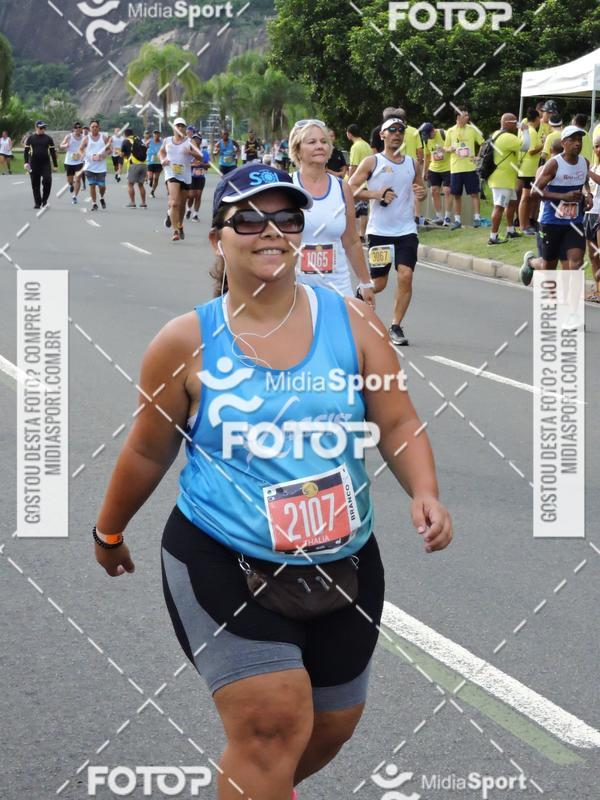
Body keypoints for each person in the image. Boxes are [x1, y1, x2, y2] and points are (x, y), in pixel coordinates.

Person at [93, 161, 453, 800]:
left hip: (344, 557)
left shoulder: (353, 323)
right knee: (271, 727)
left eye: (286, 218)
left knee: (330, 725)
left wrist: (424, 489)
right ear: (216, 239)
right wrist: (109, 529)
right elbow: (148, 453)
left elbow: (397, 420)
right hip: (224, 554)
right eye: (249, 219)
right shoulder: (186, 342)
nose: (270, 231)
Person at [349, 115, 427, 347]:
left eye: (400, 130)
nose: (397, 133)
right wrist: (376, 194)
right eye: (391, 130)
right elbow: (350, 188)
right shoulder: (372, 162)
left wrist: (420, 195)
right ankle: (359, 296)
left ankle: (395, 326)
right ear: (382, 134)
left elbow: (419, 188)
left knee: (406, 275)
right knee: (380, 283)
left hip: (406, 231)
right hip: (380, 231)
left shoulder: (413, 163)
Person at [289, 119, 374, 304]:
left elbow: (351, 241)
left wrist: (366, 283)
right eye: (311, 142)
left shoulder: (341, 188)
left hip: (338, 290)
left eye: (324, 141)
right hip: (295, 291)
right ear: (297, 150)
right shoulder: (287, 186)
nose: (319, 146)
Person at [519, 126, 591, 285]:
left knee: (576, 264)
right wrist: (562, 196)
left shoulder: (584, 162)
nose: (577, 143)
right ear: (564, 143)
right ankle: (531, 262)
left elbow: (585, 183)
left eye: (579, 140)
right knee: (548, 267)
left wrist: (588, 195)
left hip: (574, 222)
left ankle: (571, 304)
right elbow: (534, 192)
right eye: (573, 140)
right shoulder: (554, 164)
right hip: (551, 222)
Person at [486, 113, 530, 245]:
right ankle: (493, 237)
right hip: (502, 180)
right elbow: (525, 146)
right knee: (499, 207)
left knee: (512, 203)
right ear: (506, 122)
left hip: (505, 178)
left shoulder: (496, 134)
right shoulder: (507, 137)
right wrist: (525, 130)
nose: (516, 124)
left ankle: (510, 230)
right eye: (514, 121)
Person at [159, 117, 203, 241]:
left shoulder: (189, 142)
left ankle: (179, 224)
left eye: (182, 126)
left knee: (182, 205)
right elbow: (161, 152)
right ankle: (175, 231)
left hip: (185, 175)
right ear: (173, 128)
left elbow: (200, 157)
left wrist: (190, 152)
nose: (180, 128)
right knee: (174, 203)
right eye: (177, 126)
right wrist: (163, 160)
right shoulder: (167, 140)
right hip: (171, 173)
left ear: (185, 129)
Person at [445, 108, 484, 230]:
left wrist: (479, 156)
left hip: (470, 167)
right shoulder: (450, 131)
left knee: (474, 193)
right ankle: (457, 220)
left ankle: (477, 218)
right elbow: (445, 148)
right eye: (465, 115)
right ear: (458, 117)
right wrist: (450, 149)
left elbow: (483, 143)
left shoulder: (472, 129)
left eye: (468, 115)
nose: (467, 117)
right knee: (456, 195)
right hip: (456, 168)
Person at [517, 108, 543, 235]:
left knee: (527, 197)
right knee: (525, 197)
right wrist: (544, 144)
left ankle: (525, 223)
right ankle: (523, 226)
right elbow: (531, 151)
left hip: (526, 168)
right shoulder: (531, 131)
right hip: (527, 168)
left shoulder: (526, 130)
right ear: (537, 119)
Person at [421, 122, 451, 226]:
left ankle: (447, 217)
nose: (428, 138)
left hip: (448, 167)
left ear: (433, 130)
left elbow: (454, 147)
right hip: (434, 168)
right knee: (433, 191)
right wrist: (424, 171)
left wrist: (445, 149)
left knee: (447, 191)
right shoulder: (426, 140)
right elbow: (427, 155)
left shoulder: (444, 134)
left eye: (429, 135)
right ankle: (439, 216)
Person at [77, 120, 111, 211]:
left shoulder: (103, 138)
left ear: (99, 128)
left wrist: (103, 155)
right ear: (90, 128)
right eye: (93, 127)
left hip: (101, 167)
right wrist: (83, 155)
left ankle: (101, 197)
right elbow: (80, 149)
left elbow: (109, 150)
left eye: (96, 126)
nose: (94, 128)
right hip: (89, 166)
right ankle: (94, 203)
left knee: (102, 186)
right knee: (92, 185)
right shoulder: (86, 139)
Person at [346, 124, 372, 243]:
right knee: (364, 210)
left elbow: (353, 166)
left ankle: (355, 234)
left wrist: (349, 183)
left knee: (353, 210)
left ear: (349, 134)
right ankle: (362, 234)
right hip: (367, 183)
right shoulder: (367, 145)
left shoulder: (355, 147)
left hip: (356, 184)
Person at [23, 120, 58, 209]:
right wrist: (26, 162)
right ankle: (37, 203)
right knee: (35, 184)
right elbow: (26, 151)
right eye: (41, 127)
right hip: (33, 164)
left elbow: (53, 152)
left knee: (47, 180)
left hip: (45, 164)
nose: (43, 129)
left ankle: (44, 200)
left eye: (44, 128)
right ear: (36, 128)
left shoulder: (48, 139)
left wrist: (55, 165)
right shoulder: (30, 139)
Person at [583, 135, 600, 302]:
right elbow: (586, 186)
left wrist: (587, 171)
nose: (599, 149)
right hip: (589, 215)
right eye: (597, 146)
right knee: (593, 255)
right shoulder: (593, 166)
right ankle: (598, 291)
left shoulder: (591, 169)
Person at [60, 122, 85, 204]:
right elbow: (61, 145)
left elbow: (88, 147)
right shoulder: (69, 136)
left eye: (79, 127)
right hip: (69, 161)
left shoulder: (84, 137)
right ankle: (71, 185)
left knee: (78, 178)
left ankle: (75, 196)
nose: (77, 128)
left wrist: (84, 154)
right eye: (76, 127)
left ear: (81, 129)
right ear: (73, 129)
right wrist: (65, 145)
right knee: (70, 180)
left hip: (79, 161)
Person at [122, 128, 148, 209]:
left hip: (134, 164)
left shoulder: (126, 141)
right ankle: (143, 203)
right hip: (144, 164)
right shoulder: (139, 140)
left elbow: (123, 154)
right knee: (141, 185)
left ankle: (132, 202)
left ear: (125, 134)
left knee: (130, 184)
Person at [186, 128, 209, 221]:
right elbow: (185, 164)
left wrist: (202, 164)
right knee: (191, 195)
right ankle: (188, 209)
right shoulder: (189, 152)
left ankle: (195, 214)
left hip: (201, 177)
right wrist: (192, 164)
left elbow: (208, 165)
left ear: (200, 141)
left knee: (198, 195)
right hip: (191, 177)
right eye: (194, 139)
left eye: (197, 139)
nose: (195, 140)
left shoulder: (204, 153)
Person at [146, 130, 163, 198]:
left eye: (157, 134)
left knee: (156, 178)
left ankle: (152, 192)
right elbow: (144, 146)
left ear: (159, 135)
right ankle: (150, 180)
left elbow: (165, 150)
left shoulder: (162, 142)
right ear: (153, 135)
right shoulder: (150, 141)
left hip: (158, 162)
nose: (156, 135)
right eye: (155, 134)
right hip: (151, 161)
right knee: (150, 177)